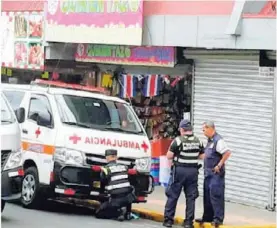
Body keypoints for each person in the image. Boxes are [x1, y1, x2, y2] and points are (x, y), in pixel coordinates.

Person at [163, 119, 204, 228]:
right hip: (193, 171)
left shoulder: (178, 141)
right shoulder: (198, 141)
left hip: (180, 170)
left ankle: (168, 220)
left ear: (182, 129)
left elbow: (169, 156)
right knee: (191, 197)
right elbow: (202, 156)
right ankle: (188, 222)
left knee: (173, 195)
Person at [195, 121, 231, 228]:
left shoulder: (218, 140)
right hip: (208, 173)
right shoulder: (209, 141)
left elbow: (227, 152)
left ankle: (217, 219)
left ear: (211, 128)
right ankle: (207, 217)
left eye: (204, 129)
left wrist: (219, 165)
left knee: (216, 196)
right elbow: (207, 155)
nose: (203, 131)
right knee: (207, 196)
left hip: (216, 174)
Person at [95, 149, 136, 221]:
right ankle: (128, 213)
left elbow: (103, 182)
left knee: (99, 213)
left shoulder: (105, 169)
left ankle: (118, 213)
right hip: (128, 198)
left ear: (107, 158)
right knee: (128, 189)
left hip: (115, 198)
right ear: (116, 158)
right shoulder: (124, 167)